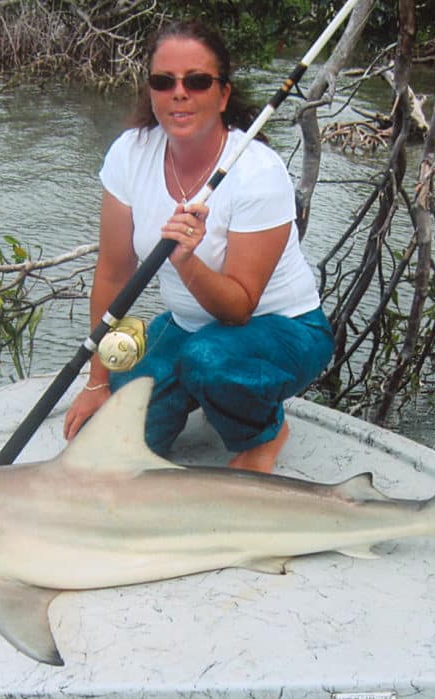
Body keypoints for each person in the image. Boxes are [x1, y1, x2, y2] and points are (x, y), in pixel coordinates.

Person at [63, 20, 333, 473]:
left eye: (197, 81)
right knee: (115, 441)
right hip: (189, 326)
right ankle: (204, 390)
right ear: (150, 91)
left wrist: (186, 261)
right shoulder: (130, 154)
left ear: (223, 94)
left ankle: (265, 432)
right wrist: (97, 380)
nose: (179, 93)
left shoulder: (258, 172)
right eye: (163, 81)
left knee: (209, 359)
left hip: (285, 329)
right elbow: (113, 272)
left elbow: (239, 309)